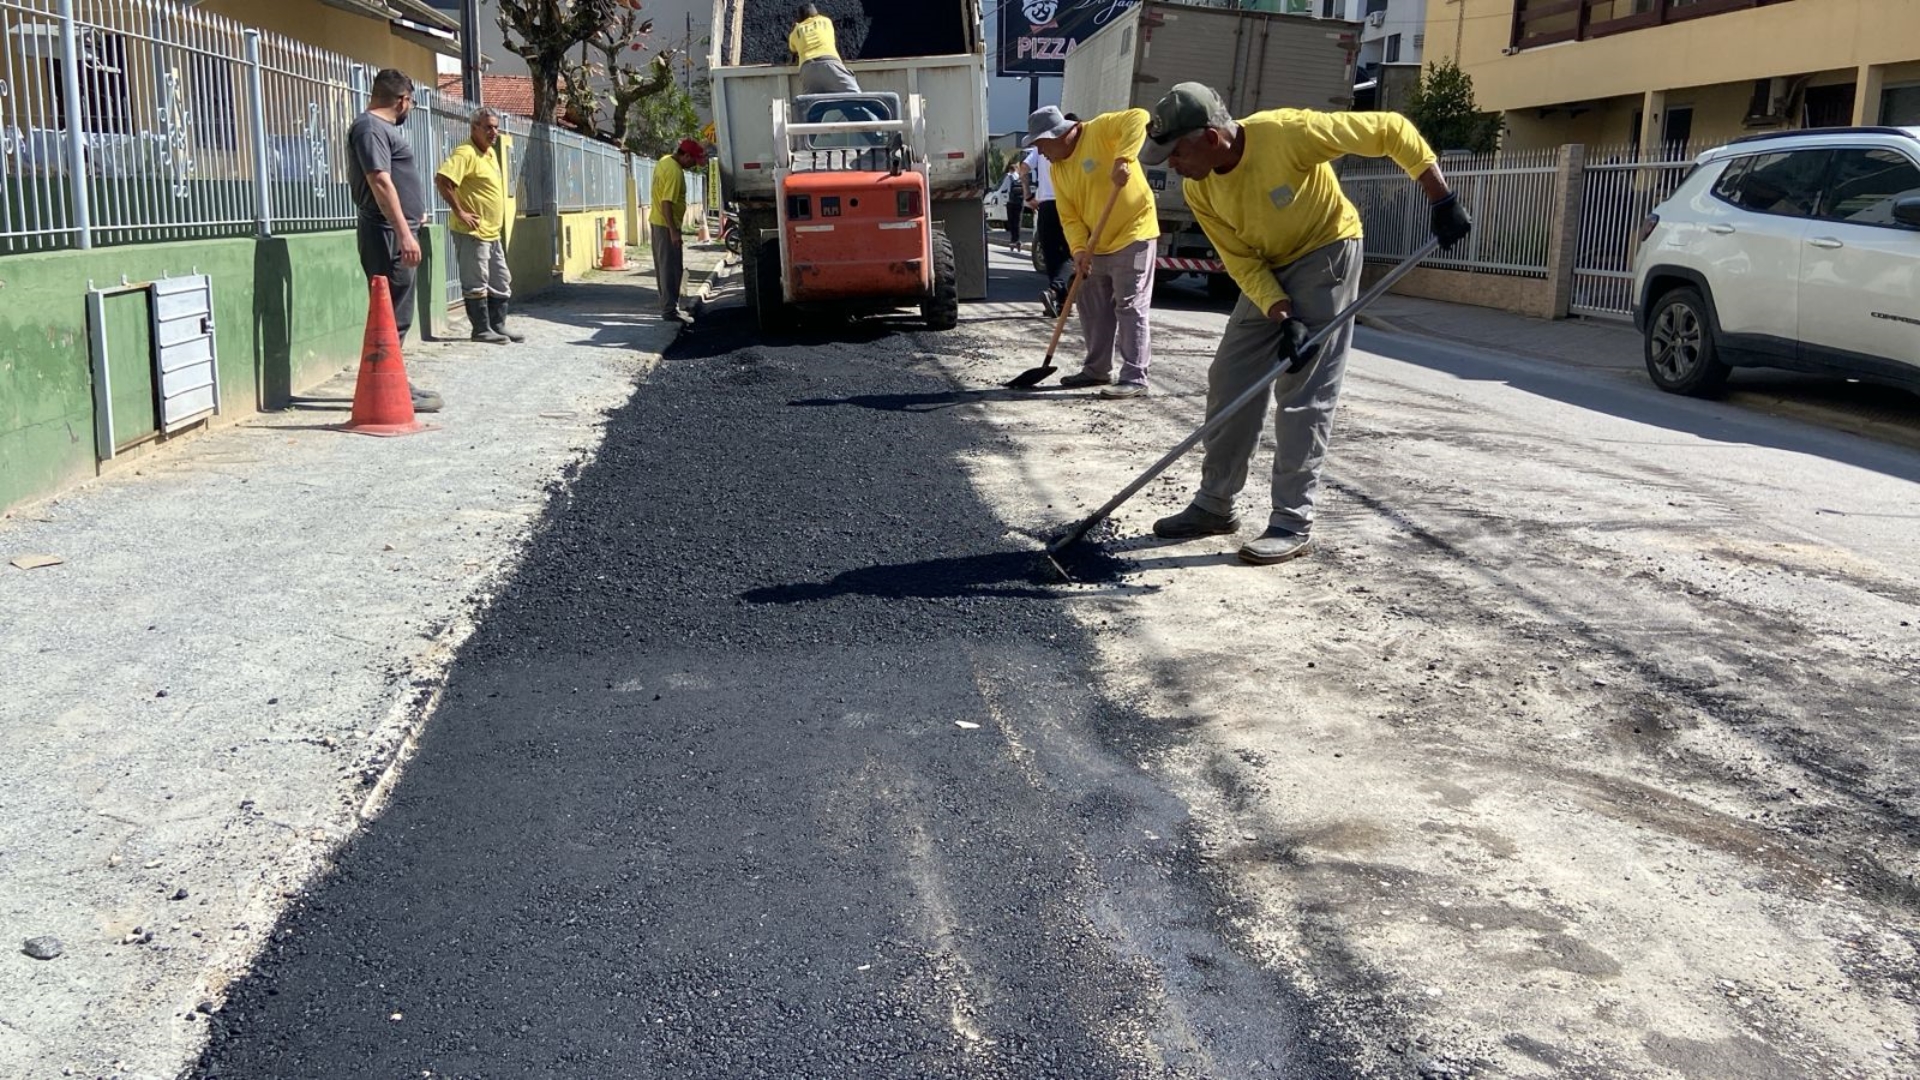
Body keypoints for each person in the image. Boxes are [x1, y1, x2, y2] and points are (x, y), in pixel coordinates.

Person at [1136, 82, 1471, 565]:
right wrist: (1280, 312)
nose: (1170, 164)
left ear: (1210, 139)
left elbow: (1390, 129)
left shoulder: (1287, 133)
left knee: (1302, 389)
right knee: (1229, 379)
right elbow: (1240, 261)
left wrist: (1440, 198)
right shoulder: (1199, 187)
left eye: (1176, 151)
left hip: (1326, 251)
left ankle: (1291, 520)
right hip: (1268, 266)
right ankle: (1214, 505)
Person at [1023, 104, 1160, 399]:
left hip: (1133, 232)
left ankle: (1135, 377)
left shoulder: (1099, 129)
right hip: (1096, 244)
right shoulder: (1058, 170)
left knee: (1130, 304)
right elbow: (1069, 216)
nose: (1041, 152)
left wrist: (1124, 158)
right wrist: (1079, 250)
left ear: (1060, 135)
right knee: (1090, 303)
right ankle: (1097, 370)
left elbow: (1140, 116)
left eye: (1042, 144)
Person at [346, 68, 441, 412]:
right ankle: (388, 386)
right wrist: (404, 232)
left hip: (395, 230)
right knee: (392, 313)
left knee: (395, 311)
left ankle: (393, 379)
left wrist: (415, 215)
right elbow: (380, 181)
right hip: (386, 234)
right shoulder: (371, 128)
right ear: (402, 100)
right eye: (411, 103)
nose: (411, 108)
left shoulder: (377, 129)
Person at [435, 106, 520, 346]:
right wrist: (460, 211)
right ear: (474, 128)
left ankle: (498, 325)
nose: (493, 132)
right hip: (472, 233)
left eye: (495, 127)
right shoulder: (465, 153)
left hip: (492, 233)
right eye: (488, 127)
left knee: (501, 280)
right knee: (477, 282)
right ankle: (481, 329)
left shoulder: (490, 154)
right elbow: (443, 180)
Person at [1019, 116, 1075, 317]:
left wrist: (1028, 195)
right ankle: (1055, 294)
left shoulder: (1038, 148)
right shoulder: (1069, 148)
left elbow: (1022, 169)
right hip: (1067, 204)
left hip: (1045, 206)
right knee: (1069, 254)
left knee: (1051, 256)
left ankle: (1058, 302)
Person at [651, 137, 707, 324]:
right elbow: (666, 202)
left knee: (663, 267)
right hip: (667, 225)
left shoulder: (664, 161)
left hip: (657, 222)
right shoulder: (675, 172)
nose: (693, 165)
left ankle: (668, 307)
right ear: (686, 155)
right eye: (693, 161)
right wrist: (673, 231)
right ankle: (670, 311)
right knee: (671, 269)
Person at [789, 4, 859, 94]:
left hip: (807, 69)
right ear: (816, 13)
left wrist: (794, 28)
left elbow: (792, 48)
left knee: (810, 103)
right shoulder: (826, 21)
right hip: (830, 63)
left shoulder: (796, 30)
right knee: (855, 96)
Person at [1000, 161, 1024, 254]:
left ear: (1010, 169)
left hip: (1011, 202)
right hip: (1020, 202)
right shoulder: (1020, 177)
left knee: (1011, 221)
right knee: (1018, 221)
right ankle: (1017, 240)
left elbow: (1003, 188)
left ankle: (1013, 240)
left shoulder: (1008, 177)